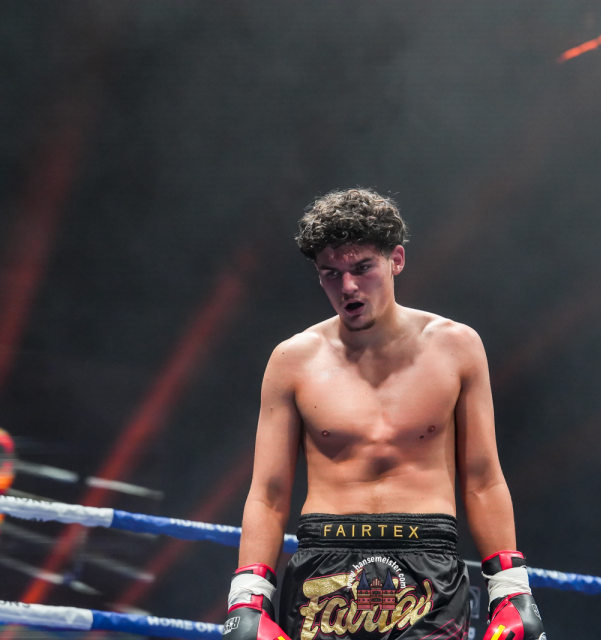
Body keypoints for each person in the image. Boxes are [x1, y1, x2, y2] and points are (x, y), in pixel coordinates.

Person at [223, 189, 547, 640]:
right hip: (325, 566)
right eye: (331, 274)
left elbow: (483, 479)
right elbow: (268, 493)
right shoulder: (292, 360)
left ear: (396, 259)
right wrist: (247, 597)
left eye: (362, 268)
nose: (348, 287)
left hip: (428, 566)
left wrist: (512, 591)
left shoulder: (456, 347)